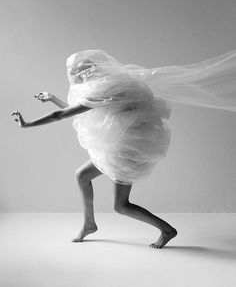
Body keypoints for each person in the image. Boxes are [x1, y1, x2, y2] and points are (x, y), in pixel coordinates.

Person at [11, 49, 236, 248]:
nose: (76, 77)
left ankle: (167, 230)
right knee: (82, 176)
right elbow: (80, 110)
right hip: (118, 148)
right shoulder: (111, 85)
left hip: (127, 152)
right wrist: (52, 98)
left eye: (78, 73)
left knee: (121, 206)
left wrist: (28, 124)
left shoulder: (105, 91)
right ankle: (89, 224)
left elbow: (63, 115)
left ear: (86, 74)